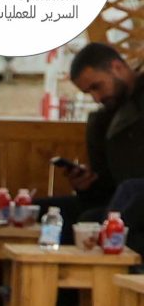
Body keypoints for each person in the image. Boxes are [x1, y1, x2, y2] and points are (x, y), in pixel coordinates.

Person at [42, 42, 144, 223]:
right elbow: (106, 191)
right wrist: (87, 185)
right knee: (43, 211)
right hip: (121, 203)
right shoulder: (102, 121)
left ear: (117, 67)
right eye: (88, 92)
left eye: (97, 87)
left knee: (94, 217)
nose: (96, 98)